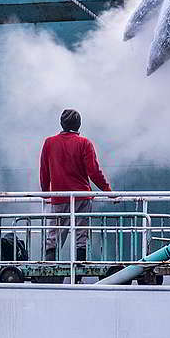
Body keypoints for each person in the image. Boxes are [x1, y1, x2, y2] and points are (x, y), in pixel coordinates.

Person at [39, 108, 111, 262]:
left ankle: (49, 266)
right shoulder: (84, 143)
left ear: (62, 123)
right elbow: (94, 172)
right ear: (79, 125)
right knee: (81, 235)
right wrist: (107, 190)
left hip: (58, 197)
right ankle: (78, 270)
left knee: (54, 235)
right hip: (81, 197)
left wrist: (46, 194)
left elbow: (44, 172)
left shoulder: (49, 143)